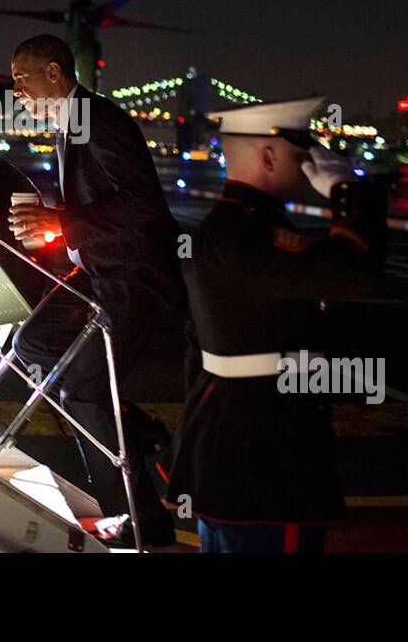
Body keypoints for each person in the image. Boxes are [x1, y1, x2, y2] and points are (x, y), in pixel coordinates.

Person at [166, 97, 388, 553]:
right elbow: (355, 276)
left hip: (225, 444)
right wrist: (347, 194)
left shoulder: (222, 228)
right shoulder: (252, 235)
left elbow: (196, 344)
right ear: (268, 156)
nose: (308, 165)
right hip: (265, 456)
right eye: (299, 154)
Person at [7, 34, 186, 548]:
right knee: (33, 345)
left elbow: (141, 204)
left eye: (22, 77)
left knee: (81, 389)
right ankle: (142, 430)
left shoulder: (98, 120)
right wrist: (51, 223)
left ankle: (138, 518)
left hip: (134, 277)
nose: (15, 89)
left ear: (55, 74)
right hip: (96, 270)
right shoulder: (71, 123)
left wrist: (60, 218)